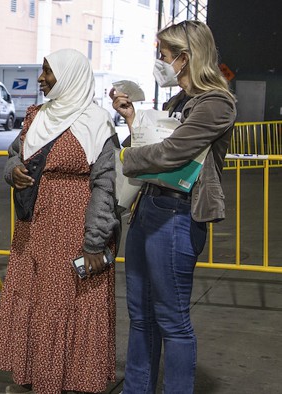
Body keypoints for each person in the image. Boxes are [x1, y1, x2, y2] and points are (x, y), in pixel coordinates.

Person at [111, 20, 236, 394]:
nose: (159, 62)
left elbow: (172, 153)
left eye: (163, 56)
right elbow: (159, 143)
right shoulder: (177, 101)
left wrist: (126, 157)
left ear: (184, 58)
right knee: (141, 316)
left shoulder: (216, 104)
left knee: (171, 320)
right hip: (149, 208)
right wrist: (133, 120)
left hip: (178, 217)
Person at [0, 48, 119, 394]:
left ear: (69, 76)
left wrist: (94, 242)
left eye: (48, 72)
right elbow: (14, 155)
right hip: (33, 228)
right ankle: (37, 372)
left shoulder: (96, 123)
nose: (41, 78)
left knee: (63, 302)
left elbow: (106, 187)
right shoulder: (36, 116)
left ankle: (66, 378)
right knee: (35, 298)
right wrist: (12, 172)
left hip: (73, 228)